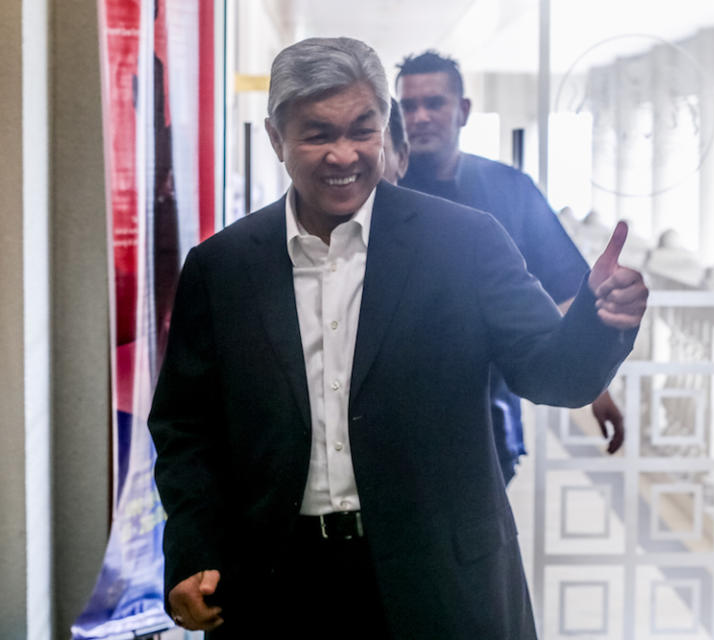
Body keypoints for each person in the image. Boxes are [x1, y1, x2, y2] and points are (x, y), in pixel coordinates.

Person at [148, 36, 648, 640]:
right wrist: (192, 551)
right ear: (276, 139)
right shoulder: (222, 268)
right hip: (275, 582)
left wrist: (599, 321)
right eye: (317, 134)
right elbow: (186, 428)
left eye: (363, 128)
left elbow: (554, 373)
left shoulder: (464, 242)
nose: (344, 154)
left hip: (440, 577)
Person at [395, 51, 626, 484]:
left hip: (488, 409)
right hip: (394, 409)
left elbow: (564, 288)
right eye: (409, 105)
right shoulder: (379, 193)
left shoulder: (509, 189)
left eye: (435, 103)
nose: (420, 116)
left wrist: (596, 385)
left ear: (462, 110)